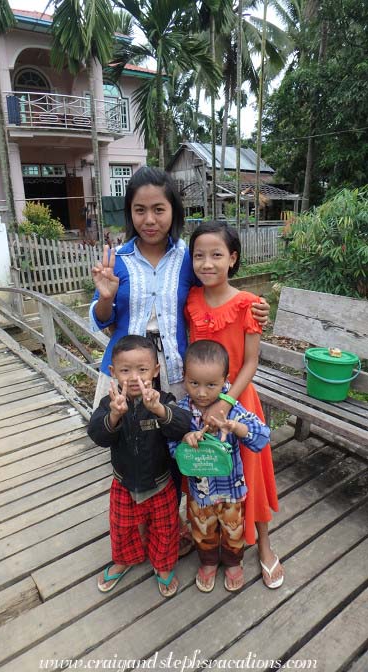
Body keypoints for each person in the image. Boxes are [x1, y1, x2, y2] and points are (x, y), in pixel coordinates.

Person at [89, 166, 270, 555]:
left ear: (173, 211)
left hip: (173, 371)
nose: (149, 219)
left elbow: (215, 282)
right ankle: (135, 520)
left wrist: (255, 309)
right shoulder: (117, 259)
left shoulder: (186, 258)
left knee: (175, 446)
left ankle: (172, 525)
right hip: (127, 371)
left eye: (159, 209)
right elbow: (103, 320)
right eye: (139, 210)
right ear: (129, 212)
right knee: (129, 444)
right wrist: (105, 296)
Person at [185, 221, 284, 589]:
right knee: (204, 469)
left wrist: (225, 403)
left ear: (233, 258)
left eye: (216, 255)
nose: (207, 263)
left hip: (238, 401)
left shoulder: (249, 305)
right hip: (199, 403)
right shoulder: (191, 300)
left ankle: (264, 545)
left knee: (251, 475)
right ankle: (207, 540)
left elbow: (251, 362)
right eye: (199, 255)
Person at [87, 335, 192, 597]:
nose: (134, 377)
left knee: (165, 529)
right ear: (113, 372)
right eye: (125, 370)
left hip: (161, 483)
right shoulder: (109, 404)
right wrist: (114, 415)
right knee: (122, 527)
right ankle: (123, 559)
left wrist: (158, 409)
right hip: (124, 483)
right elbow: (97, 435)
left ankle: (164, 566)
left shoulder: (164, 400)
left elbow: (183, 425)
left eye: (142, 369)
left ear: (155, 370)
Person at [169, 340, 270, 592]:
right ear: (184, 378)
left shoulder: (232, 411)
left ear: (225, 380)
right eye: (194, 383)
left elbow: (262, 435)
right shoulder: (181, 412)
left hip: (231, 491)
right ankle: (208, 561)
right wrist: (184, 440)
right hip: (200, 493)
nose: (202, 392)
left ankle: (234, 562)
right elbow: (170, 446)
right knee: (202, 529)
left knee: (233, 529)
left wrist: (237, 428)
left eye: (211, 385)